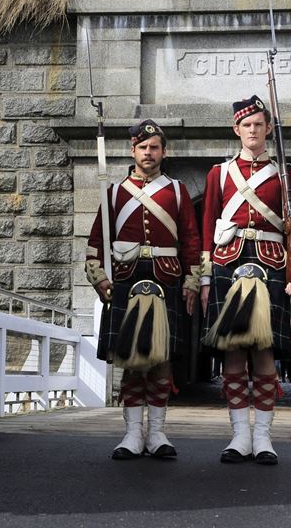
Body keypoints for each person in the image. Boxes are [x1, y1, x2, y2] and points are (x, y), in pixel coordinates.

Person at [200, 95, 291, 465]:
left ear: (267, 129)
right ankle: (239, 436)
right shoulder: (218, 174)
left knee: (264, 353)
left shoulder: (285, 174)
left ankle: (263, 437)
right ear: (237, 129)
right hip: (228, 264)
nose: (252, 130)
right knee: (233, 351)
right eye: (246, 125)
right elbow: (207, 227)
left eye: (258, 125)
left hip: (271, 263)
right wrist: (202, 278)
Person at [86, 120, 201, 459]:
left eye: (154, 147)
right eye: (143, 148)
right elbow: (96, 244)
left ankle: (157, 433)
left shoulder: (178, 191)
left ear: (164, 152)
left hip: (166, 280)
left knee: (162, 360)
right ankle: (133, 434)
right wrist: (101, 279)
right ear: (132, 151)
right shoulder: (114, 193)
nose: (148, 153)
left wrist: (192, 281)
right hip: (125, 280)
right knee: (131, 361)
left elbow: (191, 241)